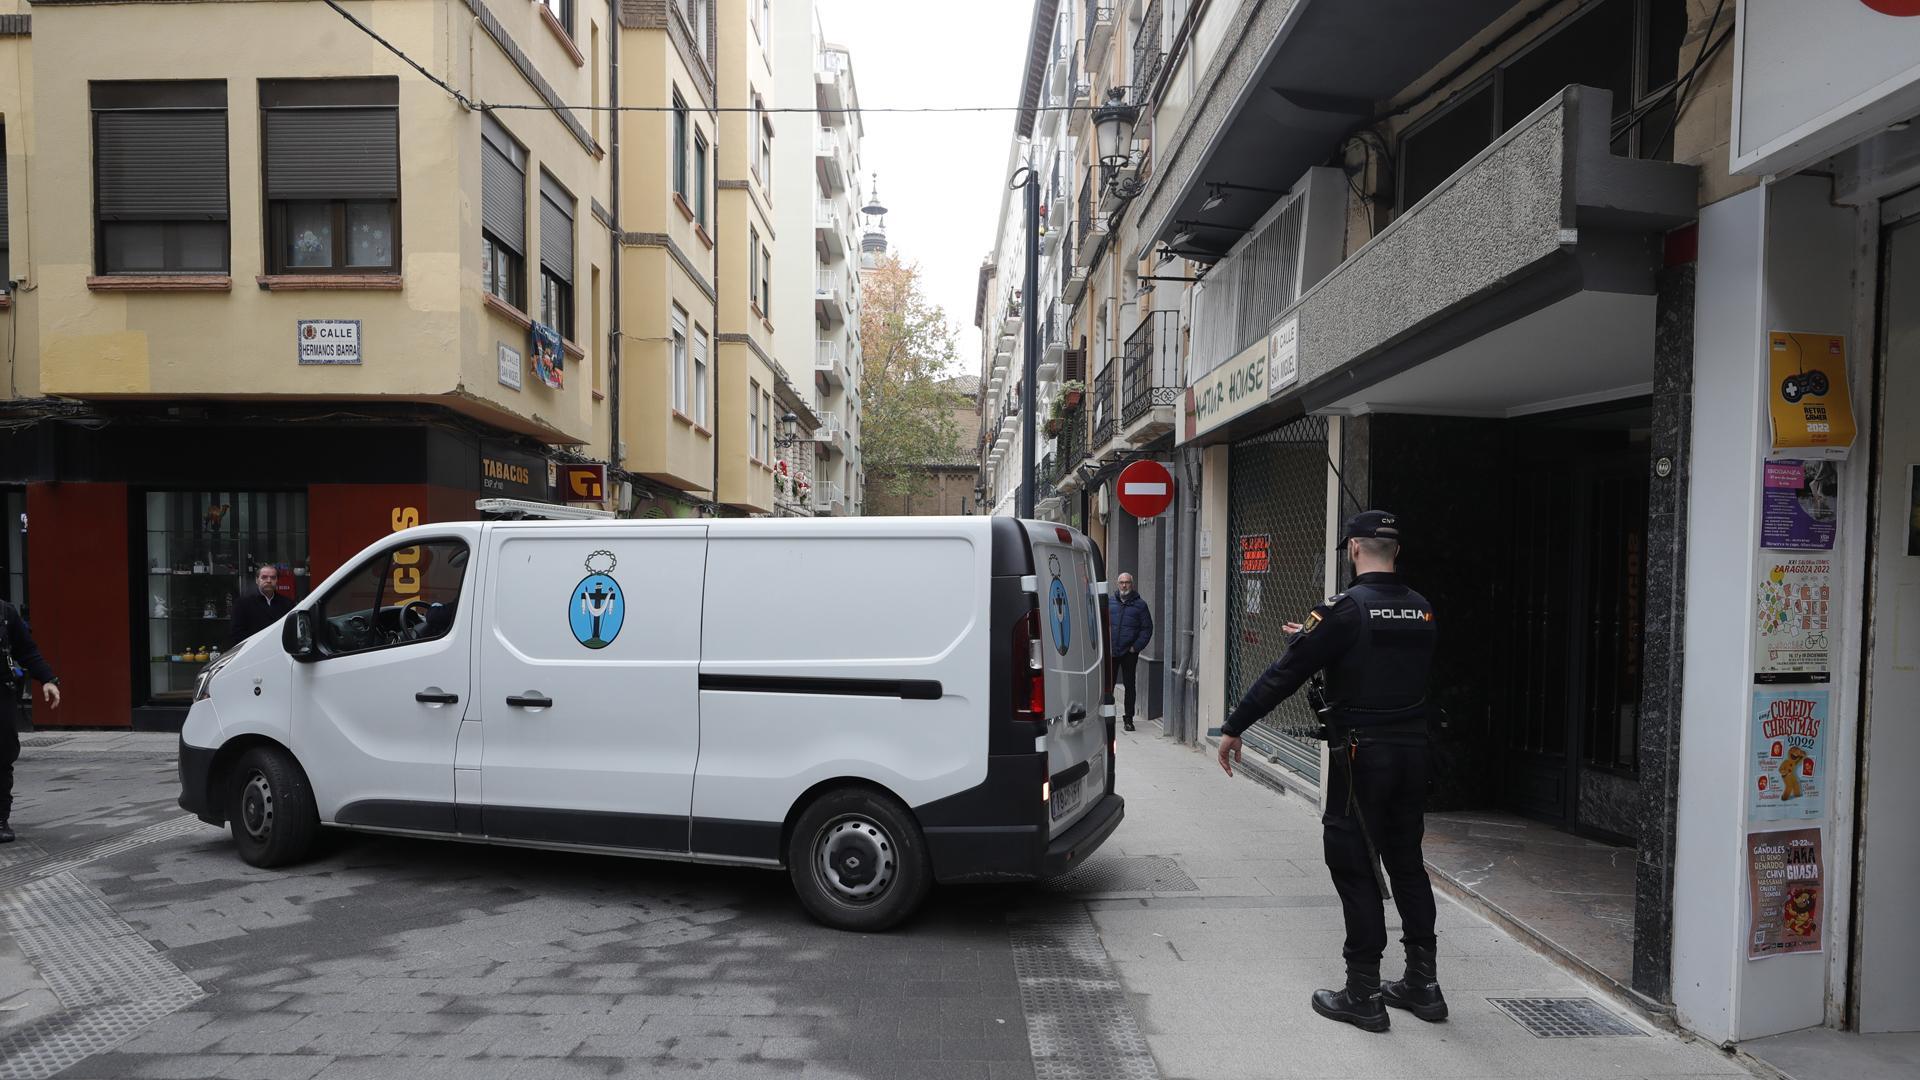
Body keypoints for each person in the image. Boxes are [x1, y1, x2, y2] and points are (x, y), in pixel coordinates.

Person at [1216, 510, 1443, 1033]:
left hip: (1361, 756)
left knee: (1355, 862)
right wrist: (1322, 640)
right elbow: (1385, 665)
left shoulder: (1343, 611)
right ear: (1396, 553)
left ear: (1355, 550)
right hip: (1413, 753)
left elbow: (1284, 675)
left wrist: (1235, 726)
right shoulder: (1422, 609)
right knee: (1406, 862)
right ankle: (1423, 984)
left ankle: (1363, 993)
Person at [1, 598, 61, 844]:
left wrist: (48, 679)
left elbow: (26, 650)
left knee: (3, 753)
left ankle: (0, 818)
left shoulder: (5, 611)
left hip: (0, 692)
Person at [1108, 572, 1152, 732]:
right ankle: (1107, 716)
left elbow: (1147, 629)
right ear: (1117, 584)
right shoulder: (1110, 602)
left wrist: (1136, 647)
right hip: (1111, 651)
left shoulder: (1140, 605)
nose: (1124, 585)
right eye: (1121, 582)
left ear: (1132, 584)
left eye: (1127, 582)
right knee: (1108, 686)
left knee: (1129, 686)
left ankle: (1128, 719)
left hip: (1129, 652)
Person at [229, 565, 292, 647]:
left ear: (277, 580)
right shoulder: (242, 603)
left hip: (279, 649)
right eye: (264, 577)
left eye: (273, 577)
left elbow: (290, 631)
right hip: (252, 651)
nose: (269, 580)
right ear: (257, 580)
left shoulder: (287, 603)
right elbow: (236, 634)